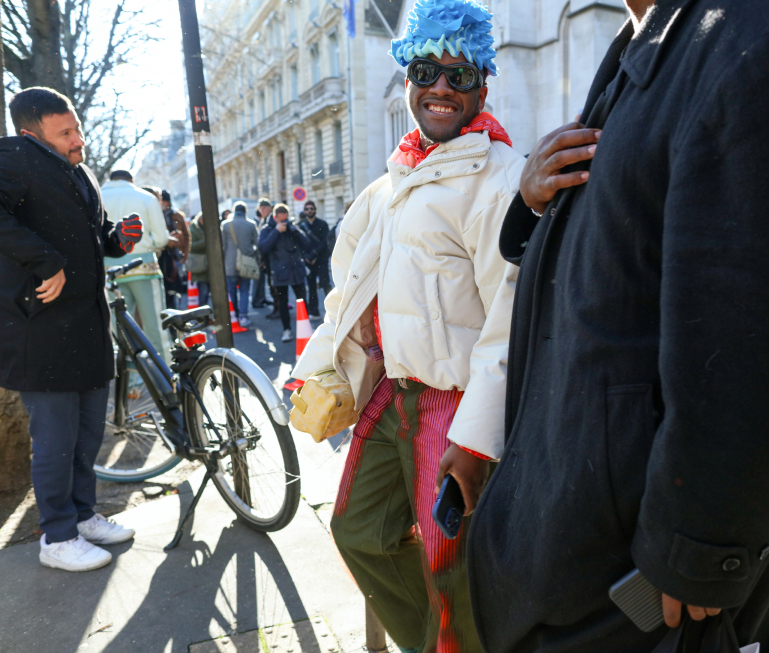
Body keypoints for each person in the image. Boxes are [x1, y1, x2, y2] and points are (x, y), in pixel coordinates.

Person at [467, 0, 769, 652]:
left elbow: (766, 341)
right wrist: (529, 204)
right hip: (578, 566)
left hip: (638, 606)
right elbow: (615, 253)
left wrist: (697, 550)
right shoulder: (657, 39)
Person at [290, 3, 523, 651]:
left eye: (460, 75)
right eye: (427, 70)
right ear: (407, 79)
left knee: (453, 572)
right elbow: (352, 291)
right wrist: (320, 367)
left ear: (483, 84)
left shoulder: (499, 179)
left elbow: (510, 321)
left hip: (453, 405)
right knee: (358, 531)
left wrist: (476, 443)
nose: (442, 88)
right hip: (392, 393)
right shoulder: (394, 178)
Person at [0, 87, 142, 571]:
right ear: (30, 134)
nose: (78, 138)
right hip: (42, 330)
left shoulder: (77, 171)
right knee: (56, 440)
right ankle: (56, 537)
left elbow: (89, 235)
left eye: (77, 127)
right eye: (65, 132)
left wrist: (116, 240)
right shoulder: (15, 157)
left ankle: (82, 517)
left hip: (85, 325)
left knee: (85, 436)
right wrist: (46, 262)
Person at [100, 171, 173, 363]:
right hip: (144, 267)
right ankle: (166, 378)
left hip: (109, 271)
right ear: (131, 180)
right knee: (156, 326)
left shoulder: (98, 195)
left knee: (122, 332)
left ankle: (131, 384)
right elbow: (161, 238)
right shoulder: (145, 197)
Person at [258, 203, 316, 342]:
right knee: (282, 303)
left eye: (285, 218)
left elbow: (307, 243)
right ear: (275, 217)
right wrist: (276, 231)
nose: (283, 221)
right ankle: (287, 330)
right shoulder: (267, 229)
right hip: (279, 272)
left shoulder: (292, 227)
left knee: (302, 301)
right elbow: (263, 248)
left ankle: (306, 328)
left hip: (296, 270)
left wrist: (294, 230)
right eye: (281, 219)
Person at [221, 201, 258, 327]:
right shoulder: (251, 224)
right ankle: (243, 316)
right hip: (246, 262)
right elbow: (256, 244)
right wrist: (251, 254)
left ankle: (234, 315)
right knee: (244, 290)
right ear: (245, 211)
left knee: (231, 290)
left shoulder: (226, 225)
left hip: (230, 263)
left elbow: (223, 247)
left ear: (234, 211)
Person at [297, 200, 332, 318]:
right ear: (304, 211)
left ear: (315, 210)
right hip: (308, 262)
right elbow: (299, 244)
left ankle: (333, 311)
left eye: (311, 208)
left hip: (321, 260)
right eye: (307, 209)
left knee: (326, 285)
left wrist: (314, 255)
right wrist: (306, 257)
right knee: (311, 288)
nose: (309, 210)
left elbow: (325, 242)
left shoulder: (323, 224)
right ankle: (314, 311)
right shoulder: (301, 225)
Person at [158, 190, 190, 309]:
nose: (163, 204)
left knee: (176, 286)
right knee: (165, 287)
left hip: (176, 255)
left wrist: (185, 254)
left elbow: (186, 236)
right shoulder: (157, 214)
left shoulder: (177, 215)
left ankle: (175, 311)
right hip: (162, 255)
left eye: (164, 201)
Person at [253, 198, 274, 310]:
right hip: (266, 258)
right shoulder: (263, 220)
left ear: (270, 208)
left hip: (273, 258)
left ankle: (278, 306)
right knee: (270, 283)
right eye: (261, 208)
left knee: (274, 284)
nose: (262, 210)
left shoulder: (272, 220)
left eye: (265, 208)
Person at [188, 212, 211, 308]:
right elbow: (191, 246)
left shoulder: (208, 227)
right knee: (203, 291)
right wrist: (207, 240)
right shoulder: (193, 228)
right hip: (199, 265)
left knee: (207, 292)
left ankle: (207, 314)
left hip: (209, 266)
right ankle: (203, 315)